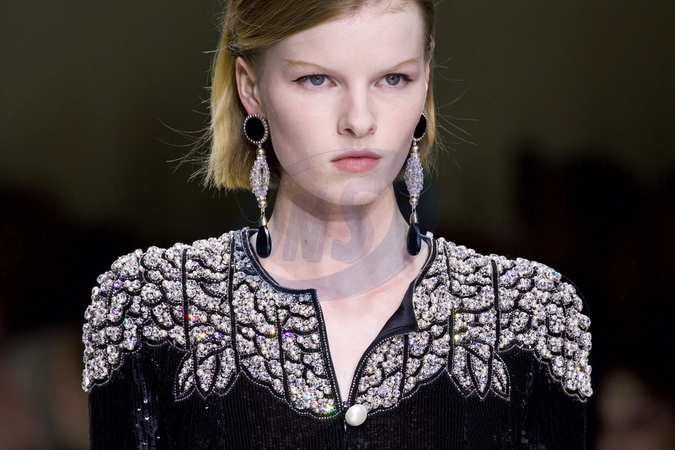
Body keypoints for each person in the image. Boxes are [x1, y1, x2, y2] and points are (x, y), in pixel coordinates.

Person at [82, 0, 593, 448]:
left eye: (393, 79)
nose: (359, 120)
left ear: (426, 79)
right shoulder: (152, 307)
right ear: (250, 88)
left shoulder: (528, 314)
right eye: (317, 79)